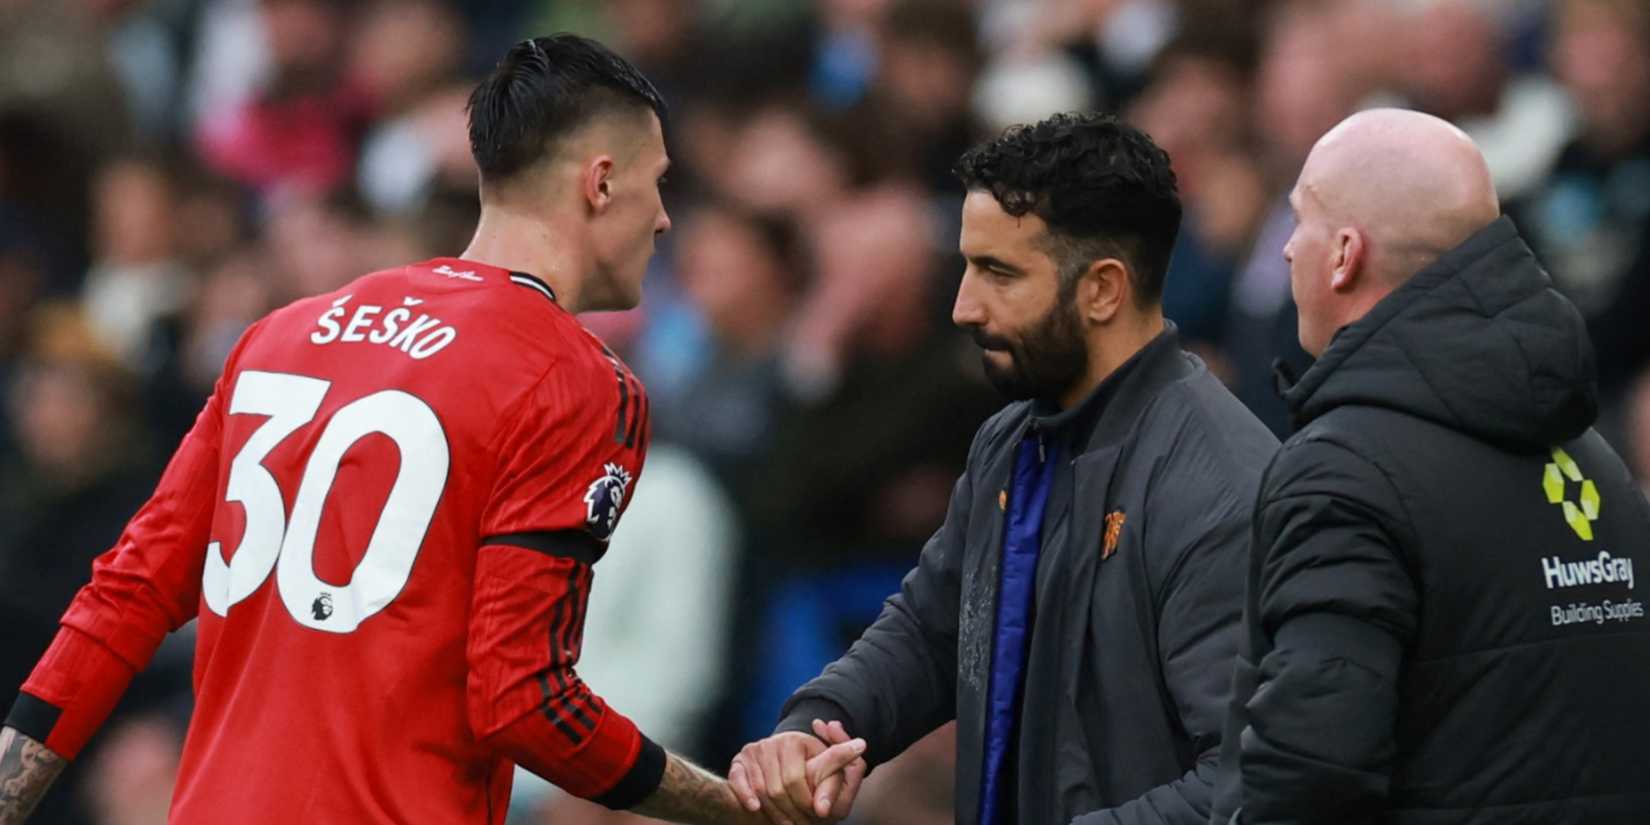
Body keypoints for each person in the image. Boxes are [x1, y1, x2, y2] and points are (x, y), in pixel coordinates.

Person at [0, 34, 862, 825]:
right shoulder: (579, 380)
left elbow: (128, 593)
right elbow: (524, 699)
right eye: (658, 181)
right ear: (600, 181)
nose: (666, 217)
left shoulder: (284, 333)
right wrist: (727, 809)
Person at [730, 112, 1279, 825]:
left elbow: (1244, 783)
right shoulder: (1012, 440)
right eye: (966, 265)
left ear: (1104, 288)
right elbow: (930, 629)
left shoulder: (1218, 484)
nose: (963, 306)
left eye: (999, 273)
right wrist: (815, 722)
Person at [1208, 109, 1650, 825]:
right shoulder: (1596, 460)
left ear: (1345, 253)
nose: (1288, 251)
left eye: (1300, 222)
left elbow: (1307, 778)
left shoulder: (1342, 473)